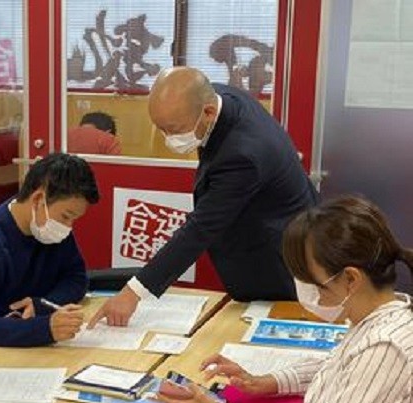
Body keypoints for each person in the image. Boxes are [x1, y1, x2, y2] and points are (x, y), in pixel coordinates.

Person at [158, 196, 413, 403]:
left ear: (350, 279)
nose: (308, 291)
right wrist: (266, 382)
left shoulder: (385, 347)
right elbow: (339, 368)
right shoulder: (378, 316)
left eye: (311, 281)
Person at [89, 66, 318, 328]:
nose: (167, 138)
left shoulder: (243, 155)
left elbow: (200, 228)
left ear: (208, 112)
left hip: (276, 258)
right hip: (269, 227)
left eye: (173, 129)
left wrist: (133, 293)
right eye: (160, 128)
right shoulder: (218, 99)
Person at [0, 153, 100, 366]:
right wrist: (45, 328)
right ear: (38, 200)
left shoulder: (48, 228)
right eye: (65, 216)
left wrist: (42, 305)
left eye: (73, 219)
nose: (68, 227)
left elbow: (76, 278)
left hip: (28, 348)